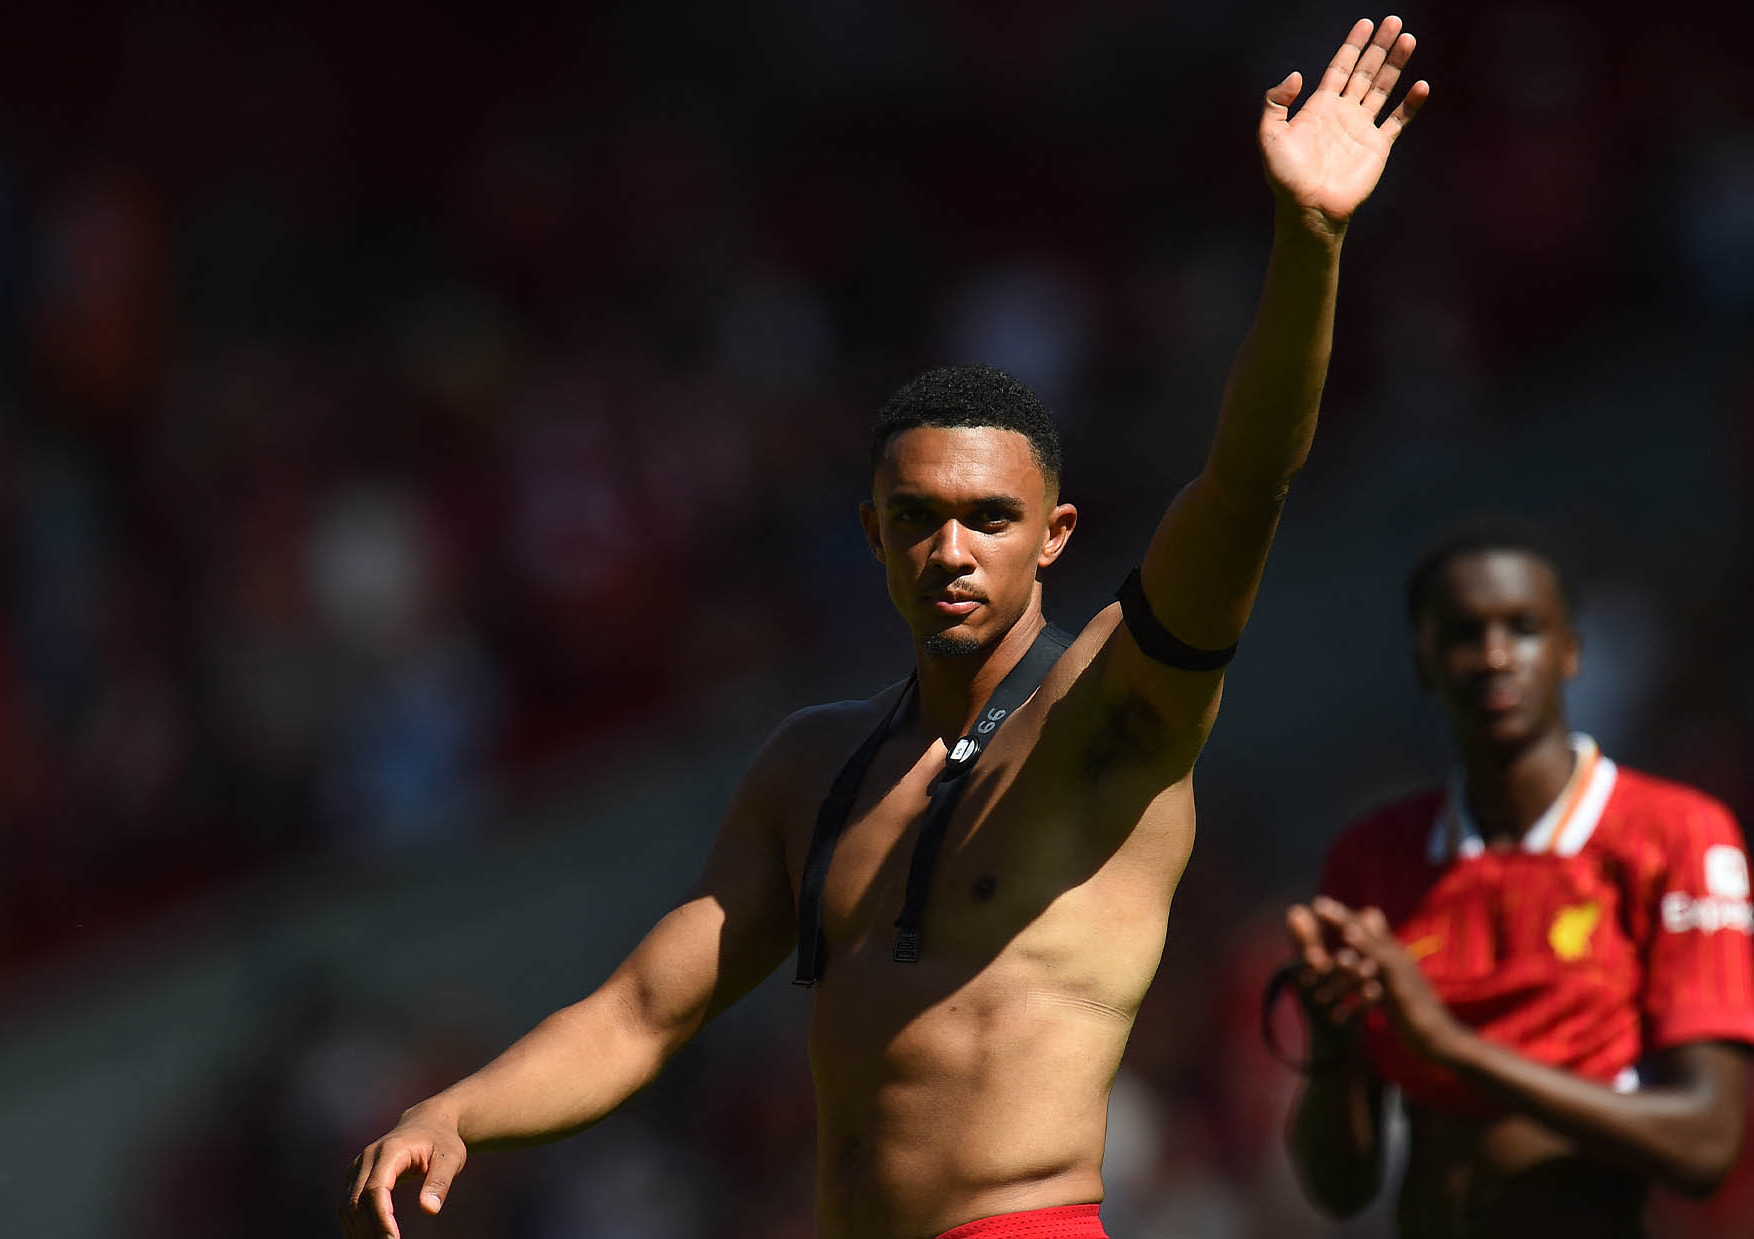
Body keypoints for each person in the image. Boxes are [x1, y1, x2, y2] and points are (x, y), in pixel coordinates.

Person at [342, 18, 1428, 1239]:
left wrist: (1310, 242)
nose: (951, 551)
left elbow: (1244, 482)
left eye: (988, 518)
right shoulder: (809, 771)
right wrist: (460, 1111)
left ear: (1055, 535)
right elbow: (641, 1012)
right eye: (917, 518)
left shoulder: (1111, 716)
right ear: (871, 534)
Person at [1284, 523, 1754, 1238]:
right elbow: (1342, 1188)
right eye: (1465, 632)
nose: (1496, 656)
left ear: (1572, 650)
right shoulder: (1374, 857)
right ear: (1424, 658)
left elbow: (1707, 1141)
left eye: (1524, 628)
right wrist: (1331, 1046)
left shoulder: (1677, 835)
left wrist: (1451, 1046)